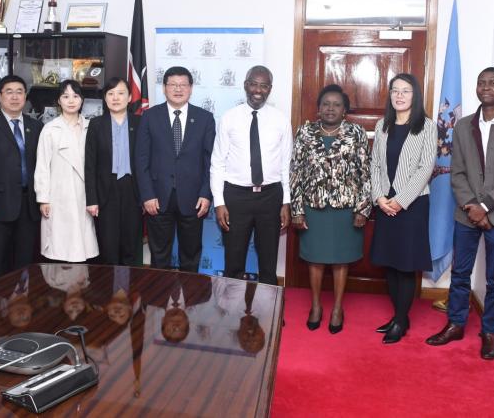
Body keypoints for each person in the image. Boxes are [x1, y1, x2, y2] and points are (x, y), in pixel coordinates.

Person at [425, 67, 494, 359]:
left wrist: (485, 206)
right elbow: (456, 173)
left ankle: (490, 331)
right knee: (460, 273)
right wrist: (473, 206)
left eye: (493, 83)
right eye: (481, 83)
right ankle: (456, 323)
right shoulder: (462, 127)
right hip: (466, 215)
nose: (486, 88)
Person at [290, 84, 371, 333]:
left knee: (340, 260)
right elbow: (295, 171)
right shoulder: (305, 132)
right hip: (313, 206)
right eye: (326, 104)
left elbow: (365, 173)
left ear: (344, 110)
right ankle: (316, 306)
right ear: (318, 109)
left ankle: (337, 308)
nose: (330, 109)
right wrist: (297, 209)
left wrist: (363, 209)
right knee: (315, 258)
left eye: (336, 104)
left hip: (346, 208)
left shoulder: (355, 133)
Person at [369, 73, 436, 343]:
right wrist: (380, 198)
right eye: (395, 90)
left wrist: (401, 199)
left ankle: (400, 321)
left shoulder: (426, 126)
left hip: (413, 204)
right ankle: (400, 316)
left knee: (406, 264)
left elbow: (425, 167)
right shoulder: (382, 125)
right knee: (390, 263)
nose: (399, 95)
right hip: (385, 204)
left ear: (415, 95)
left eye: (405, 91)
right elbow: (374, 165)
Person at [210, 66, 292, 285]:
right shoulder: (229, 118)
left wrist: (286, 202)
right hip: (236, 197)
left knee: (268, 262)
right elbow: (217, 162)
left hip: (270, 197)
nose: (258, 90)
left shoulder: (281, 120)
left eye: (264, 85)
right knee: (234, 260)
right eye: (254, 84)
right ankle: (232, 313)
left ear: (270, 89)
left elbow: (286, 164)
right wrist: (219, 202)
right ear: (246, 85)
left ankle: (269, 315)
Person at [135, 66, 215, 273]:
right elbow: (141, 159)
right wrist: (147, 195)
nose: (178, 89)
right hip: (157, 199)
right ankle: (158, 302)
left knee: (190, 256)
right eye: (173, 84)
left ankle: (191, 302)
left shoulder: (205, 118)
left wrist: (206, 194)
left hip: (194, 199)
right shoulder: (149, 117)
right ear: (164, 88)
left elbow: (210, 161)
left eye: (183, 85)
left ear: (191, 88)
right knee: (159, 256)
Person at [0, 75, 42, 279]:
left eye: (19, 92)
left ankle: (22, 302)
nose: (14, 97)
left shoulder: (35, 126)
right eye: (9, 92)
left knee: (25, 257)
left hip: (29, 203)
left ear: (25, 97)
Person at [34, 80, 98, 263]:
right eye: (65, 96)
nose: (71, 101)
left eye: (76, 96)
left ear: (82, 100)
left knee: (83, 248)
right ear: (58, 101)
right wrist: (43, 198)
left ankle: (80, 289)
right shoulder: (50, 129)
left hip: (85, 196)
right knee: (61, 249)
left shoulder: (91, 127)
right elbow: (42, 167)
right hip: (59, 196)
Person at [85, 77, 141, 265]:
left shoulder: (140, 123)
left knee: (130, 246)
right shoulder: (96, 125)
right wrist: (91, 199)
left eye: (120, 93)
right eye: (110, 93)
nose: (115, 98)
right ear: (105, 98)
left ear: (130, 97)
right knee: (108, 248)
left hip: (132, 191)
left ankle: (129, 292)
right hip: (105, 191)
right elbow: (90, 164)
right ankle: (108, 292)